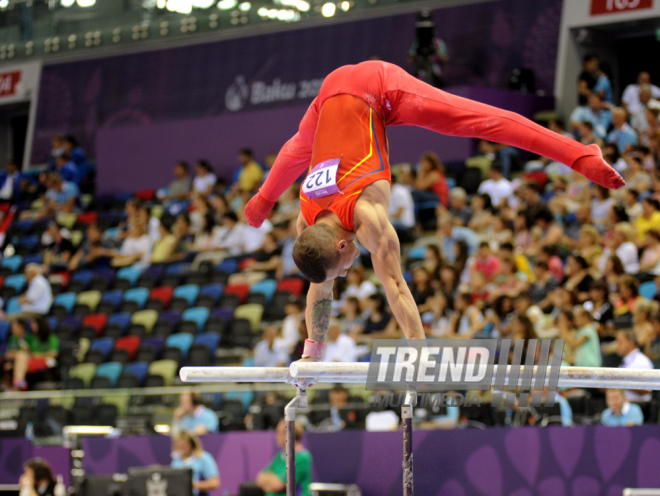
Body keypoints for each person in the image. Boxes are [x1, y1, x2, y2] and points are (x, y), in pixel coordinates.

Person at [243, 60, 624, 360]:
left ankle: (581, 155)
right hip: (327, 94)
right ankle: (260, 203)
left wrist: (418, 349)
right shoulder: (307, 223)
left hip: (378, 88)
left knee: (477, 121)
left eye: (340, 270)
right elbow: (319, 289)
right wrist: (312, 353)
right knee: (297, 148)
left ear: (342, 247)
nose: (343, 276)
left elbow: (394, 285)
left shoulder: (367, 216)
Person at [256, 419, 312, 496]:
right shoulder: (280, 456)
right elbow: (260, 478)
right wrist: (272, 482)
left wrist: (270, 481)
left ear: (289, 434)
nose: (276, 436)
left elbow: (278, 484)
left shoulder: (302, 458)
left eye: (279, 433)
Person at [171, 431, 220, 496]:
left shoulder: (204, 458)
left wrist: (191, 484)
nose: (181, 449)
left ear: (192, 443)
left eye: (184, 445)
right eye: (179, 446)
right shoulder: (176, 462)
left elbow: (214, 483)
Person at [616, 329, 653, 402]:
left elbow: (647, 390)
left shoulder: (641, 361)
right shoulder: (625, 361)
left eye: (620, 342)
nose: (617, 345)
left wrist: (622, 383)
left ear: (630, 343)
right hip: (622, 405)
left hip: (639, 406)